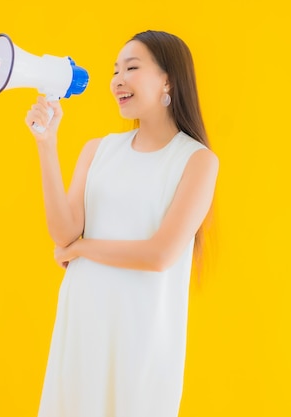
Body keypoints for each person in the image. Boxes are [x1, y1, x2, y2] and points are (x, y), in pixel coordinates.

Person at [25, 30, 219, 417]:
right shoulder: (98, 150)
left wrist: (80, 249)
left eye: (131, 67)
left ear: (168, 80)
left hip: (142, 333)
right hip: (83, 321)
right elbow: (64, 231)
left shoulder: (196, 161)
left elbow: (161, 254)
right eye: (115, 70)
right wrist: (47, 145)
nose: (117, 80)